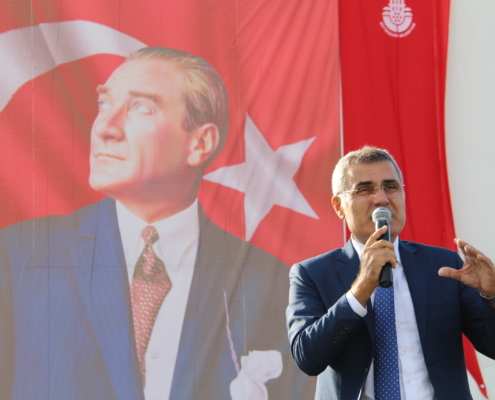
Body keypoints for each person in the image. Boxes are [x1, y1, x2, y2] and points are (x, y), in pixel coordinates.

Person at [0, 47, 314, 400]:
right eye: (104, 103)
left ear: (200, 143)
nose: (104, 127)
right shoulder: (18, 257)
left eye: (140, 108)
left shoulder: (271, 283)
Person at [286, 146, 495, 400]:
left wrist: (491, 296)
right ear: (339, 206)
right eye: (365, 189)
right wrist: (361, 288)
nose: (381, 199)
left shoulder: (443, 265)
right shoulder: (312, 274)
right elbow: (307, 358)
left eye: (391, 187)